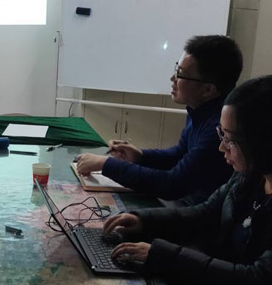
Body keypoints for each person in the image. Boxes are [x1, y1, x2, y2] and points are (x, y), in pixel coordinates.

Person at [105, 75, 272, 285]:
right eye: (222, 135)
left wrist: (162, 255)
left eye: (230, 139)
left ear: (268, 142)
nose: (221, 147)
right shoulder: (251, 176)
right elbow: (205, 214)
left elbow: (256, 283)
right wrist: (143, 220)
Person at [76, 35, 243, 203]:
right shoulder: (200, 110)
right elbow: (179, 155)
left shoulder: (219, 128)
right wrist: (140, 156)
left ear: (208, 90)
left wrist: (106, 165)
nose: (173, 78)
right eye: (177, 68)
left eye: (181, 74)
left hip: (200, 212)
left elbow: (172, 184)